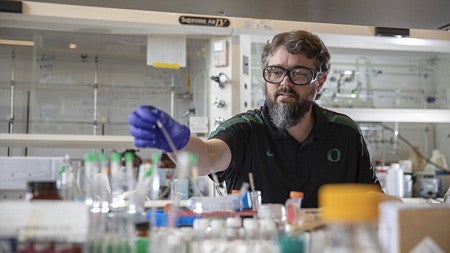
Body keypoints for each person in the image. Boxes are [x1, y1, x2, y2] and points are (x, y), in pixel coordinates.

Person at [128, 30, 381, 208]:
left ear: (321, 82)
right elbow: (205, 158)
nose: (285, 83)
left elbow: (373, 197)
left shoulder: (345, 133)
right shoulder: (246, 130)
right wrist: (178, 141)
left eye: (300, 74)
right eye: (276, 71)